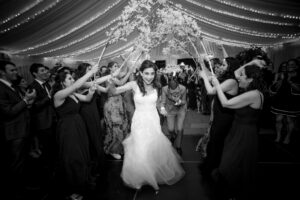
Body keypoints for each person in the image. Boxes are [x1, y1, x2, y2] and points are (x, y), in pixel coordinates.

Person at [109, 60, 185, 193]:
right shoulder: (133, 84)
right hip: (139, 122)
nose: (149, 76)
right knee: (140, 150)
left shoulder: (157, 85)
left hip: (153, 121)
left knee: (151, 150)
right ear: (140, 73)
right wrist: (110, 79)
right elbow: (114, 91)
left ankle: (151, 176)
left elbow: (159, 103)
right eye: (146, 73)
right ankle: (144, 179)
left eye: (152, 73)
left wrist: (162, 109)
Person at [211, 63, 266, 200]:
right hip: (237, 131)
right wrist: (251, 63)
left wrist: (217, 85)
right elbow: (236, 71)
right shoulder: (250, 90)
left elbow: (226, 104)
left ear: (250, 79)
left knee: (231, 165)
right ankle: (233, 193)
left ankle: (235, 194)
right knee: (235, 165)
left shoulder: (253, 94)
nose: (238, 78)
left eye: (242, 76)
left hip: (244, 135)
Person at [52, 64, 98, 200]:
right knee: (72, 158)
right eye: (70, 78)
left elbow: (87, 99)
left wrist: (91, 91)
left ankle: (82, 183)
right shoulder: (58, 95)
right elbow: (76, 85)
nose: (72, 80)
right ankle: (72, 190)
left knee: (82, 154)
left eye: (72, 78)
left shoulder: (72, 93)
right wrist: (90, 73)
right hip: (67, 129)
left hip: (78, 126)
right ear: (62, 82)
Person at [0, 56, 36, 199]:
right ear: (2, 73)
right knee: (16, 164)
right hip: (13, 133)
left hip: (21, 130)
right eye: (12, 70)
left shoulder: (11, 86)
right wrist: (26, 100)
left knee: (22, 162)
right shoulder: (1, 88)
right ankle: (17, 192)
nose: (16, 72)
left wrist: (27, 101)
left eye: (15, 69)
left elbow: (19, 106)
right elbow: (8, 112)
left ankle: (23, 188)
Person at [197, 57, 240, 177]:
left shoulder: (231, 81)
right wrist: (202, 64)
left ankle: (214, 167)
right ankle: (212, 165)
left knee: (217, 141)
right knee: (214, 140)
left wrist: (204, 78)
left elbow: (211, 91)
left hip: (225, 116)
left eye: (224, 65)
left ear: (231, 67)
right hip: (219, 113)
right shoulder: (225, 79)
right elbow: (211, 76)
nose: (221, 66)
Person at [103, 61, 131, 160]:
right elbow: (122, 83)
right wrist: (129, 72)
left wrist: (128, 67)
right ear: (110, 68)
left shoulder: (115, 76)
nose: (117, 67)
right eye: (115, 66)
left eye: (117, 65)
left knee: (122, 126)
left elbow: (123, 76)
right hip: (112, 105)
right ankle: (112, 150)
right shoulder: (109, 77)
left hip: (119, 102)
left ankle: (119, 148)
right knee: (115, 127)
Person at [161, 72, 187, 155]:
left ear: (177, 85)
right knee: (170, 129)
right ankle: (173, 135)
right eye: (171, 89)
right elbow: (163, 101)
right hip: (170, 110)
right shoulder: (164, 89)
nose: (173, 90)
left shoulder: (183, 88)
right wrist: (162, 108)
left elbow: (184, 101)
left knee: (180, 129)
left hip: (180, 110)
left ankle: (178, 146)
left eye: (175, 88)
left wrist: (179, 101)